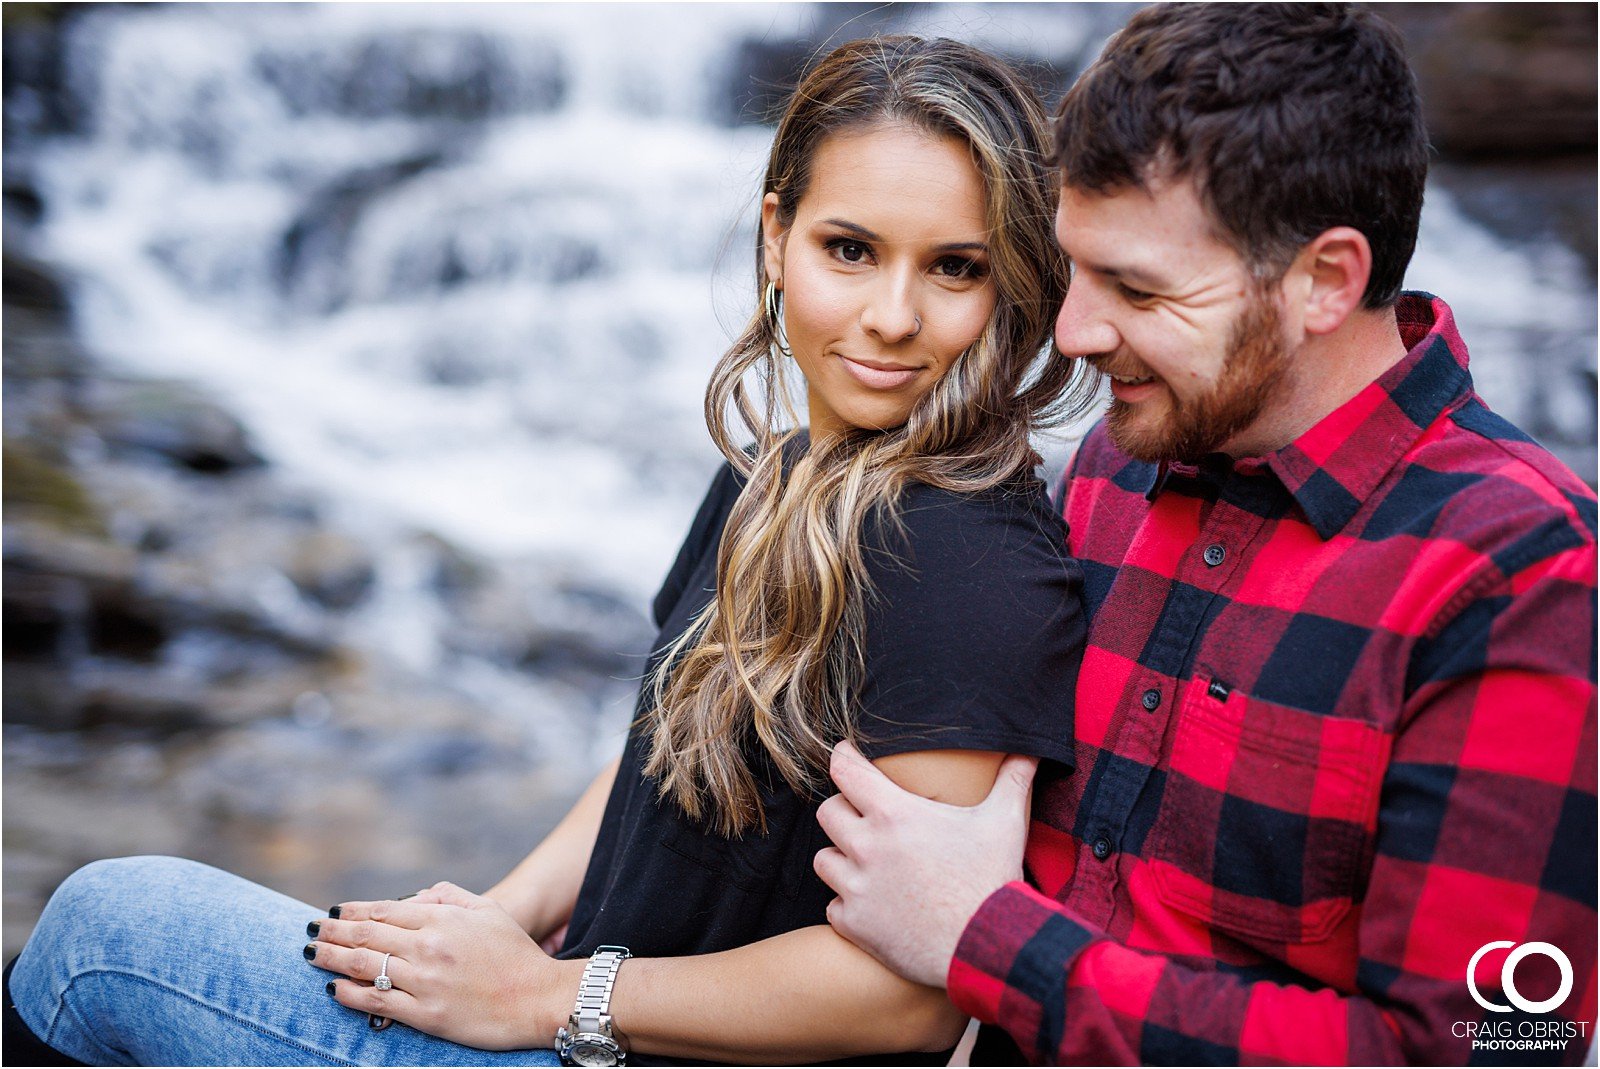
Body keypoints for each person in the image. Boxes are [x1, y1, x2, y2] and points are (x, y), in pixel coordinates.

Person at [6, 35, 1096, 1066]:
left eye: (954, 268)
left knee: (107, 934)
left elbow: (907, 996)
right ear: (776, 237)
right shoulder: (774, 474)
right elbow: (661, 754)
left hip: (601, 1032)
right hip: (576, 1016)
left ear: (1012, 283)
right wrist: (492, 920)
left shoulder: (965, 563)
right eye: (848, 250)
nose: (892, 316)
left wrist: (549, 998)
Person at [817, 4, 1599, 1066]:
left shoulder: (1527, 575)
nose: (1074, 333)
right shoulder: (1118, 462)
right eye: (1074, 267)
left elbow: (1489, 1047)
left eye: (1137, 288)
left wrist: (985, 936)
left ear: (1325, 279)